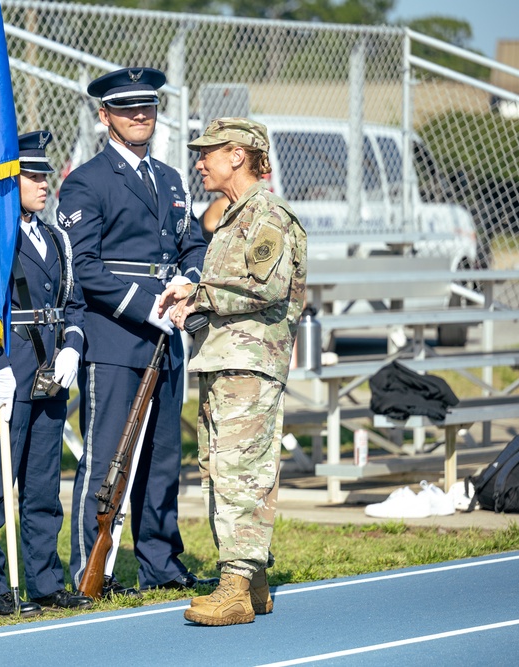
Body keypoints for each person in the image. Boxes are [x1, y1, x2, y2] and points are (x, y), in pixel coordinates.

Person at [55, 67, 209, 596]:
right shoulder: (86, 181)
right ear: (105, 117)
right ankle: (88, 567)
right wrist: (150, 307)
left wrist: (188, 282)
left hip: (167, 335)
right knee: (107, 455)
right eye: (127, 109)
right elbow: (85, 266)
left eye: (147, 107)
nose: (140, 116)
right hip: (118, 333)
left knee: (162, 456)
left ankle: (160, 561)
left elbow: (192, 245)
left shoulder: (170, 179)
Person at [159, 117, 307, 626]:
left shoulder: (266, 215)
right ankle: (255, 584)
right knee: (222, 468)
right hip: (227, 359)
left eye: (210, 152)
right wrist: (192, 293)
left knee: (240, 472)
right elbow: (234, 283)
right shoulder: (234, 215)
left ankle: (236, 586)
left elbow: (262, 287)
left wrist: (199, 295)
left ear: (238, 156)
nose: (200, 161)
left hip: (249, 362)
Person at [0, 131, 93, 616]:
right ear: (9, 179)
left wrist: (73, 348)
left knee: (42, 481)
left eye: (45, 174)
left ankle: (43, 579)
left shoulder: (56, 237)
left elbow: (73, 304)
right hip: (10, 362)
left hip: (51, 366)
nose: (44, 184)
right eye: (32, 175)